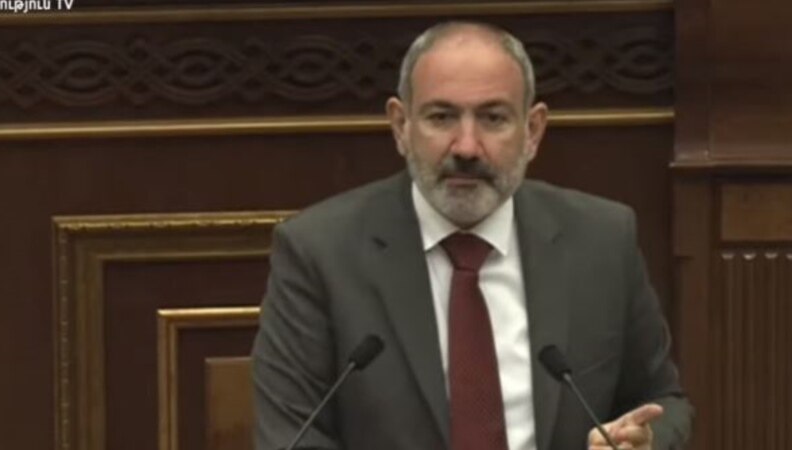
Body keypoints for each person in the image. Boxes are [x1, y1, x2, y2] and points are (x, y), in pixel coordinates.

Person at [252, 21, 692, 450]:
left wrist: (641, 441)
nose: (466, 147)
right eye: (441, 117)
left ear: (532, 131)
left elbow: (663, 400)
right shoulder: (319, 251)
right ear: (401, 126)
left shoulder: (601, 240)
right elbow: (291, 434)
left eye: (493, 118)